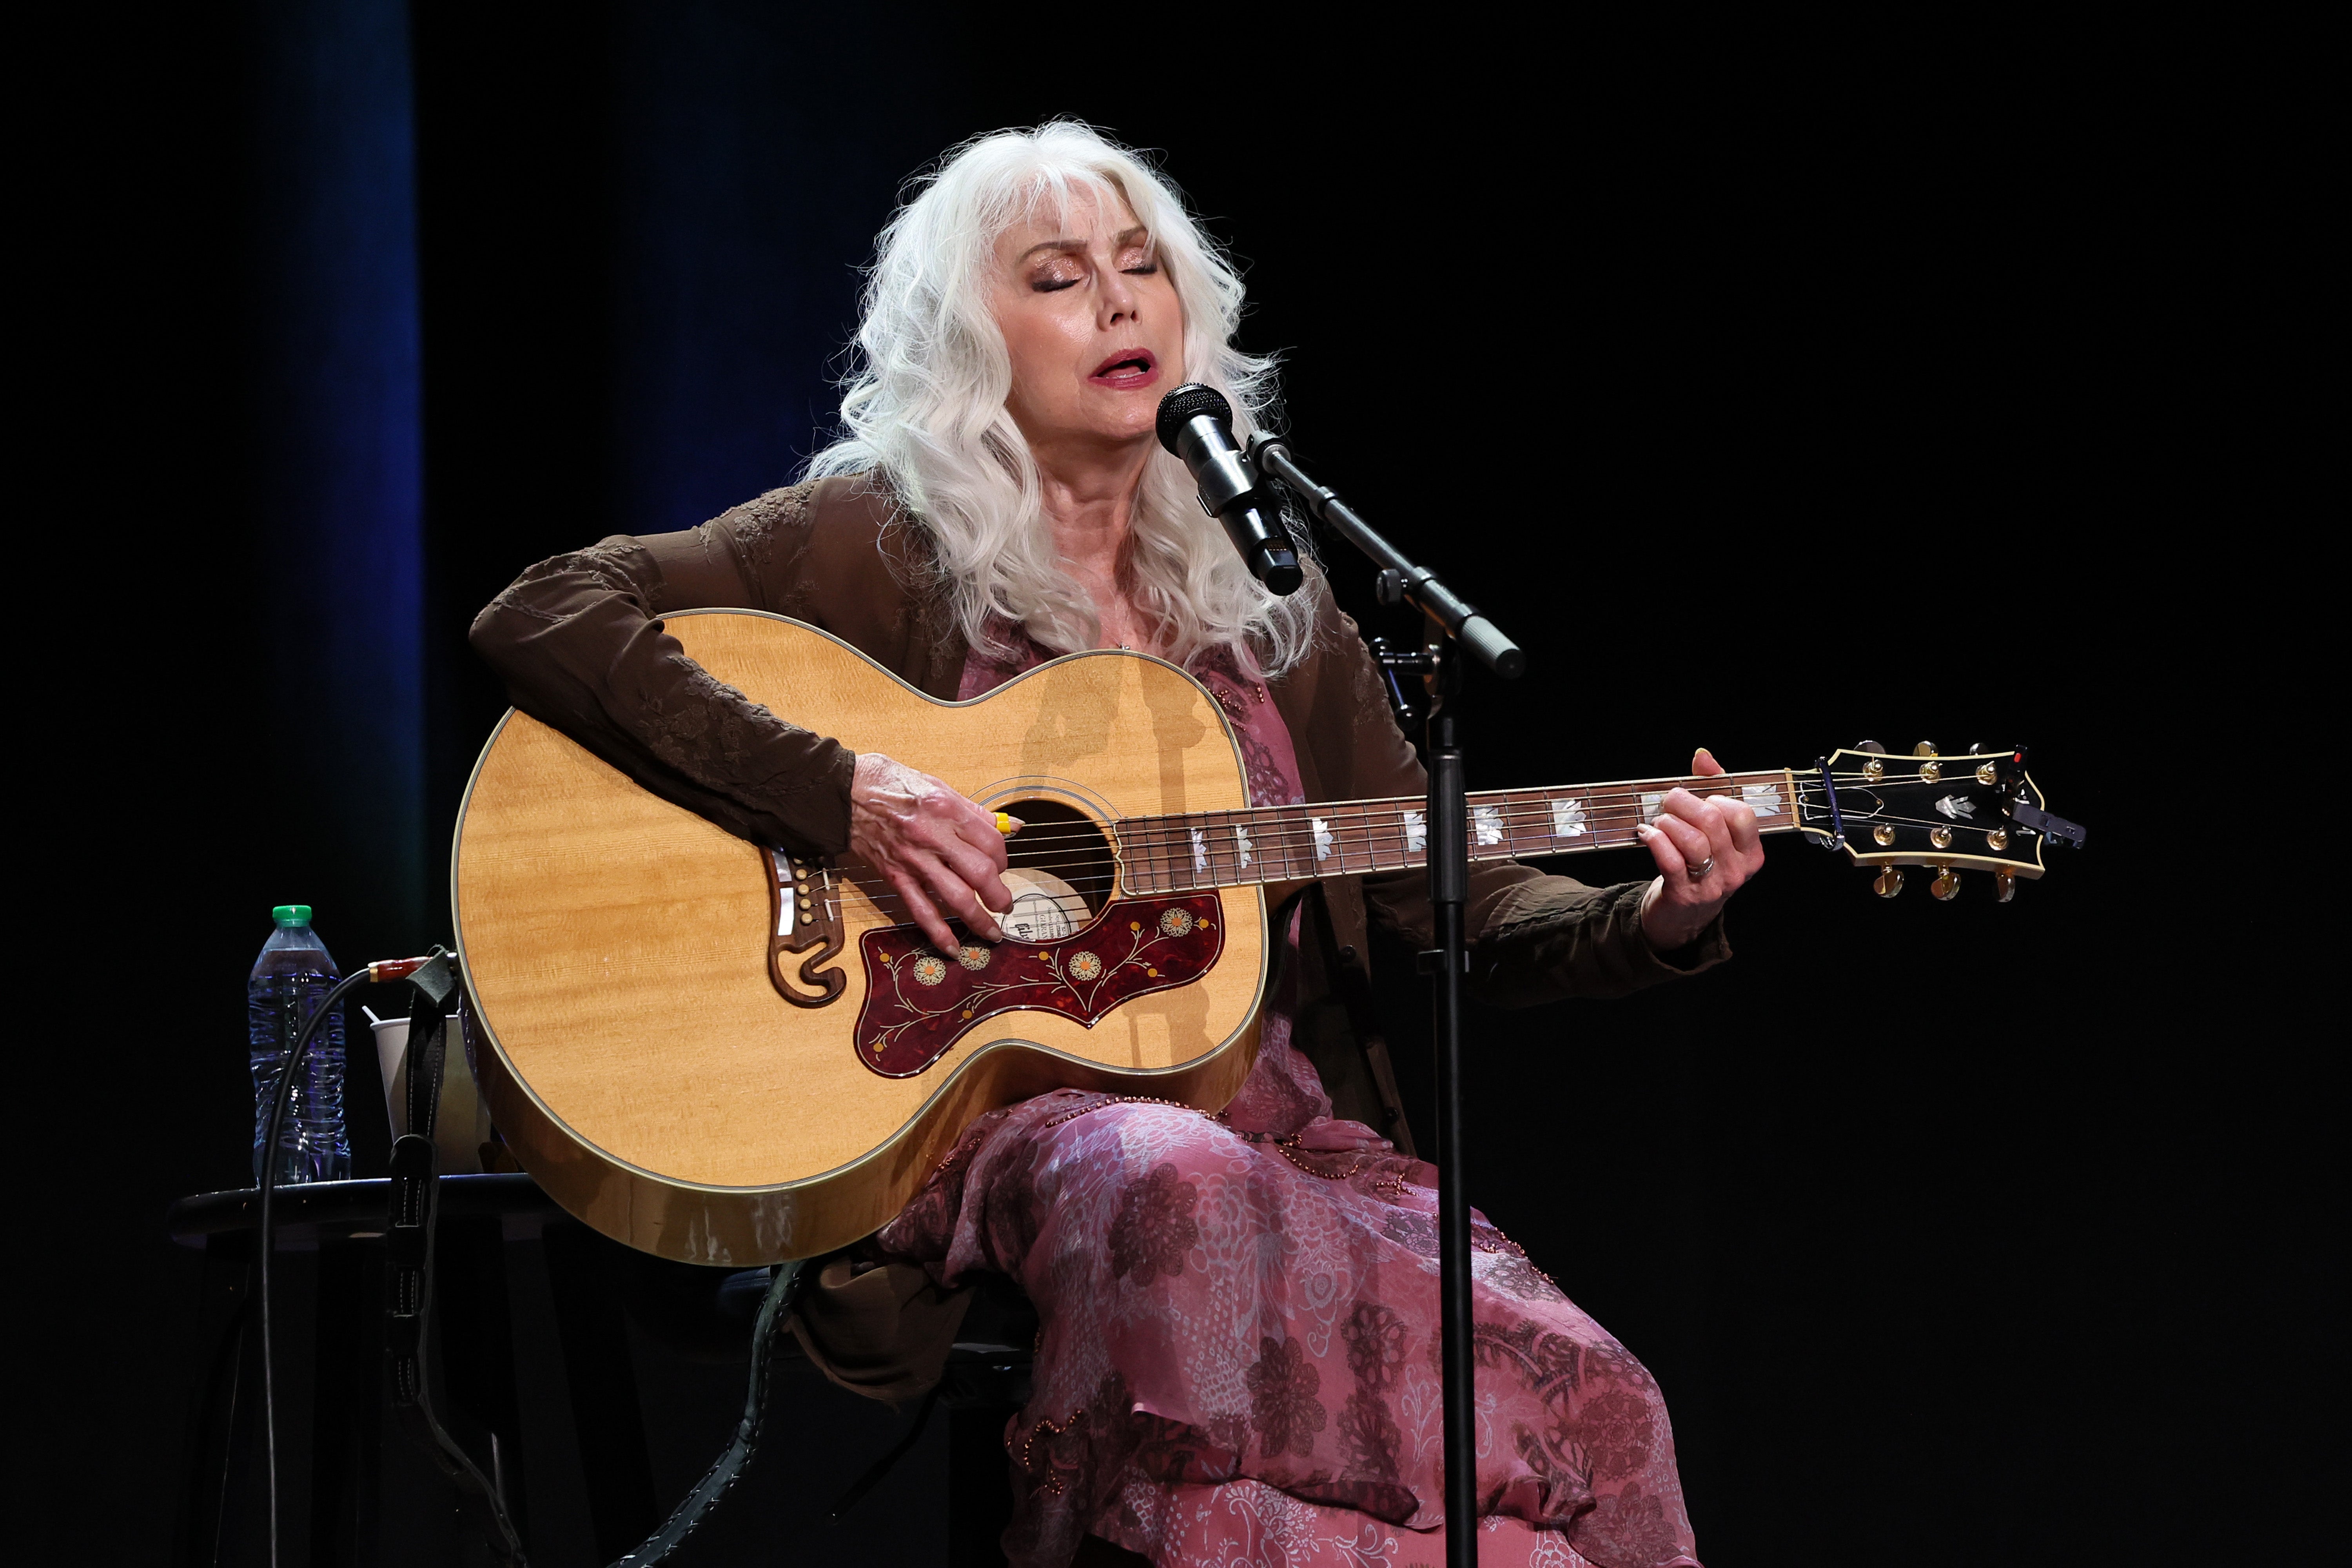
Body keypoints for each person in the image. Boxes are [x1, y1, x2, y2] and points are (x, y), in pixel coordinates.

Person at [473, 121, 1762, 1568]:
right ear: (974, 337)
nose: (1121, 300)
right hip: (1007, 1128)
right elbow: (543, 612)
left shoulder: (1270, 607)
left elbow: (1434, 891)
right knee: (1173, 1177)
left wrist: (1648, 912)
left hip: (1292, 1146)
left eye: (1143, 267)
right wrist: (844, 797)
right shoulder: (872, 543)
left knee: (1607, 1412)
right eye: (1061, 274)